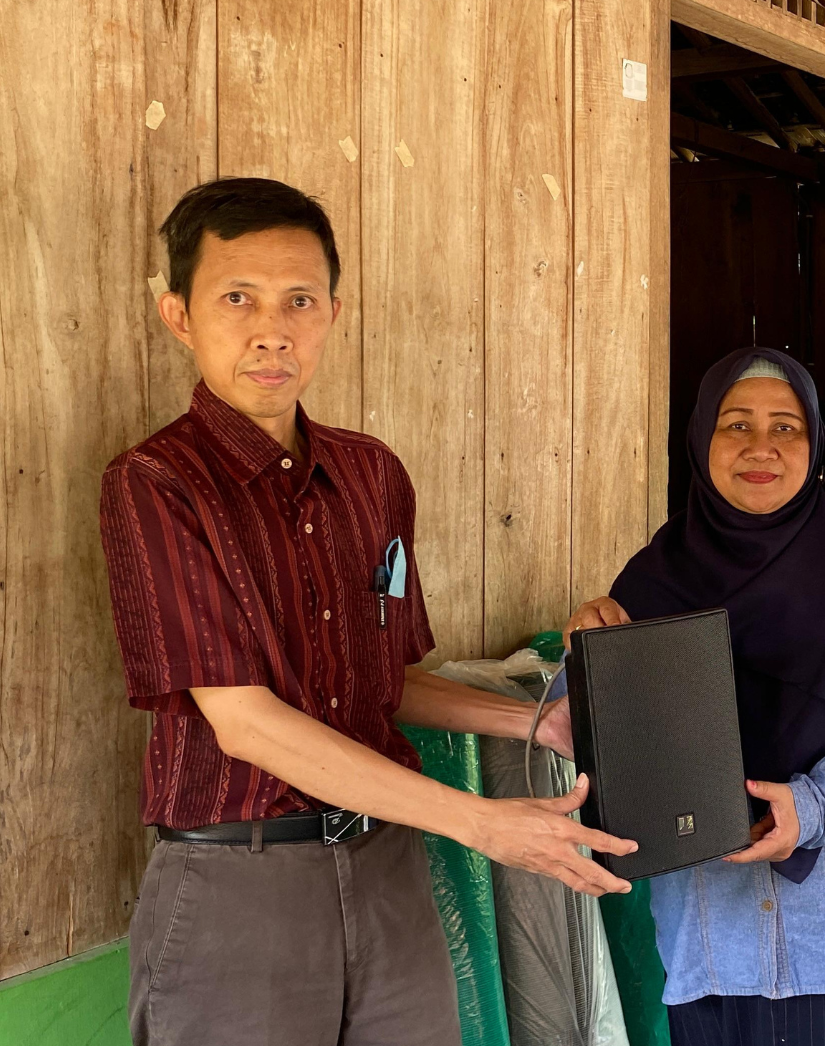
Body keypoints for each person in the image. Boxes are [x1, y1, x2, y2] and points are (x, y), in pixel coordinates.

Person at [99, 177, 636, 1046]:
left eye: (299, 301)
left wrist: (533, 725)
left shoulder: (370, 475)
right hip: (243, 882)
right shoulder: (157, 483)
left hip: (387, 866)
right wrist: (481, 823)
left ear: (333, 313)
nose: (273, 330)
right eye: (237, 298)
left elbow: (385, 683)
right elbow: (245, 723)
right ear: (178, 315)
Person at [563, 348, 825, 1046]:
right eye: (735, 424)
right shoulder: (654, 578)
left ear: (815, 444)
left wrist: (813, 806)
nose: (761, 447)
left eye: (786, 427)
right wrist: (587, 653)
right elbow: (610, 741)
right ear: (700, 440)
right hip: (712, 949)